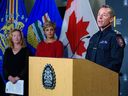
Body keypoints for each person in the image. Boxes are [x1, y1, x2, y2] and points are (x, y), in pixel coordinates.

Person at [86, 5, 125, 73]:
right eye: (99, 14)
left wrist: (99, 72)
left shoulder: (115, 37)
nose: (100, 17)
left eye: (104, 15)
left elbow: (116, 63)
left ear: (111, 19)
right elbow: (87, 59)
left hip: (107, 79)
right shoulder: (93, 37)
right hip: (91, 79)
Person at [3, 29, 29, 96]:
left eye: (18, 35)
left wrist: (17, 77)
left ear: (21, 37)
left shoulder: (26, 51)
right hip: (10, 81)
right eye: (14, 36)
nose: (16, 38)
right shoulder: (7, 51)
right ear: (11, 38)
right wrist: (9, 77)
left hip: (22, 82)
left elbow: (27, 67)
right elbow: (4, 67)